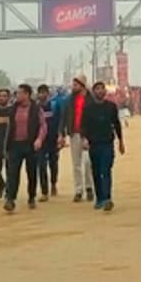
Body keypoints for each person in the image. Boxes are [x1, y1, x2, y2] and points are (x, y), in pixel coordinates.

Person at [81, 80, 125, 212]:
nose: (100, 91)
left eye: (102, 89)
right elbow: (84, 126)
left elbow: (116, 124)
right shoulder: (88, 108)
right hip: (94, 143)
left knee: (106, 170)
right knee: (96, 171)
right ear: (93, 92)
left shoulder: (111, 107)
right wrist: (84, 139)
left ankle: (107, 198)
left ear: (105, 92)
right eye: (97, 89)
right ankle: (99, 198)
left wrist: (121, 141)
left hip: (107, 143)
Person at [3, 84, 46, 213]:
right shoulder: (12, 110)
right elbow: (8, 128)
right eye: (17, 93)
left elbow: (43, 125)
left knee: (31, 172)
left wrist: (39, 139)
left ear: (27, 94)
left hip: (30, 144)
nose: (18, 96)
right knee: (12, 173)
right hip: (15, 145)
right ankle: (10, 199)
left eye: (20, 93)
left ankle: (31, 197)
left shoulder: (36, 109)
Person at [61, 75, 95, 203]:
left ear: (82, 85)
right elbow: (63, 117)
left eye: (75, 85)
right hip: (74, 134)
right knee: (76, 164)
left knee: (87, 163)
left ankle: (89, 187)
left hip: (88, 135)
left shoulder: (91, 100)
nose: (73, 87)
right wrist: (61, 133)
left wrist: (89, 136)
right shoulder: (69, 100)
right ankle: (78, 190)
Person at [35, 84, 62, 201]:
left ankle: (53, 184)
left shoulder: (54, 106)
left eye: (44, 93)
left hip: (53, 139)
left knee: (53, 164)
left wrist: (61, 135)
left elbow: (60, 121)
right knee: (41, 165)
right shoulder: (35, 108)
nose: (41, 95)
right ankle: (44, 191)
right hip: (40, 140)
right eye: (40, 93)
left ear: (48, 94)